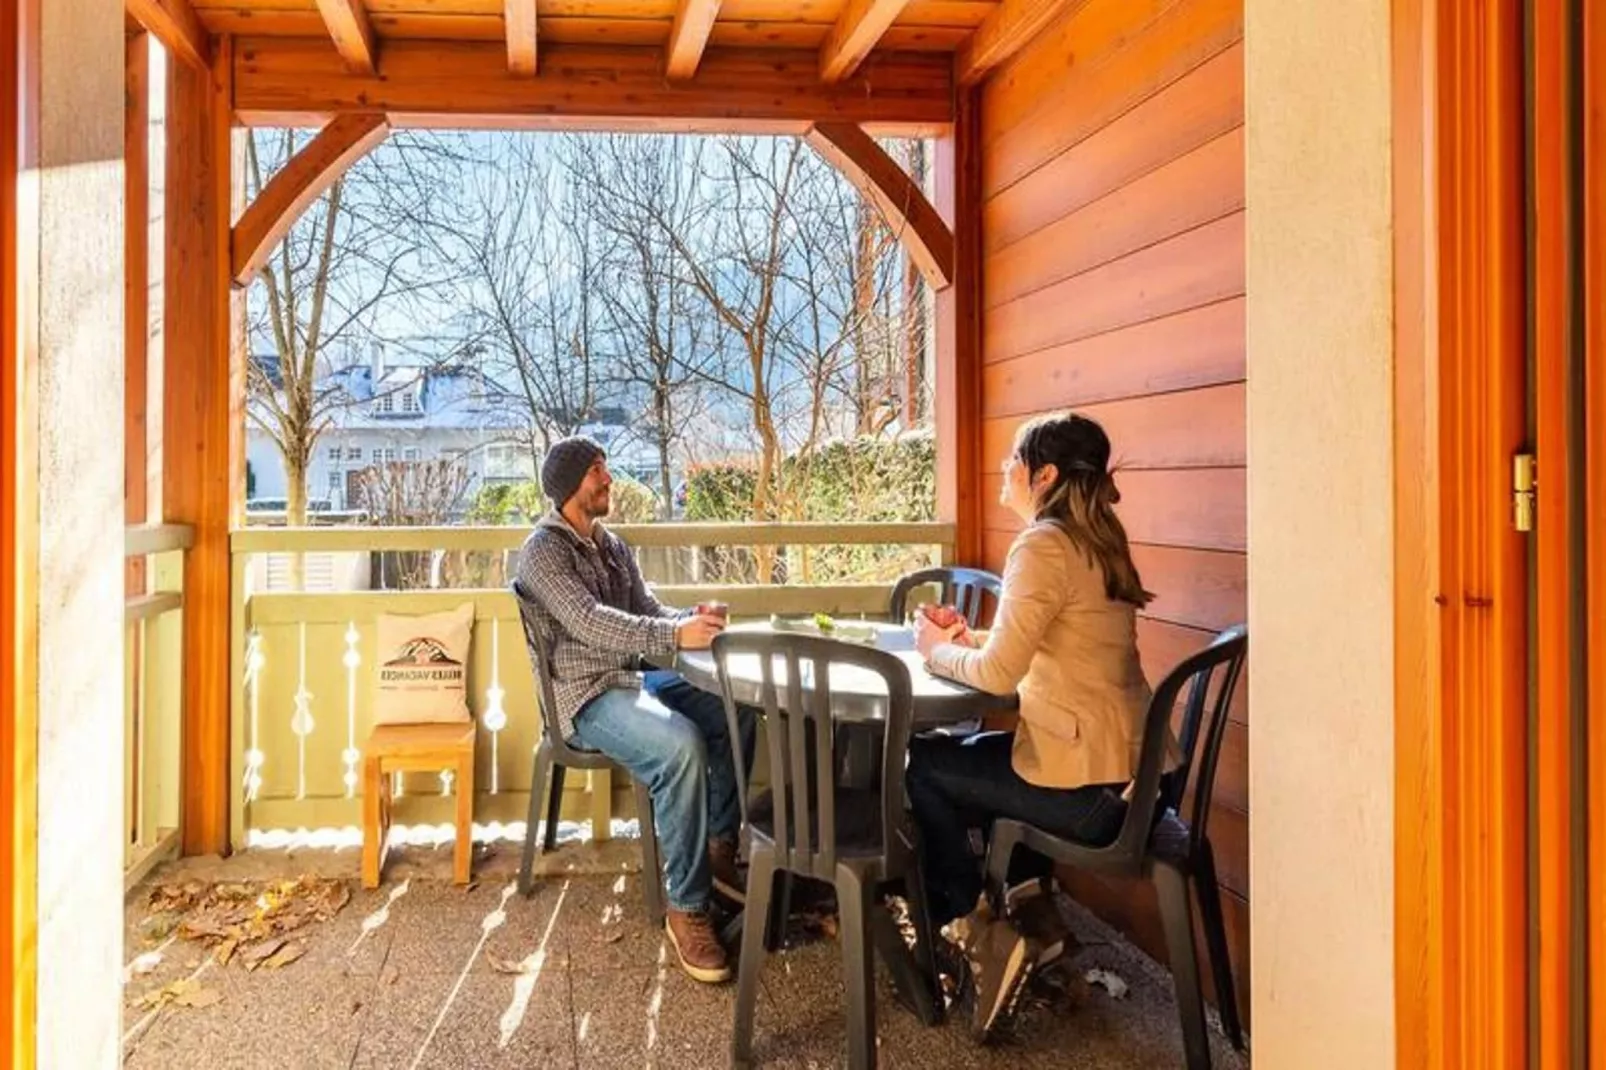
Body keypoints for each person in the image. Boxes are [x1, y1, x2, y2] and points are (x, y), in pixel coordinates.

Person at [907, 412, 1154, 1036]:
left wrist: (939, 652)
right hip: (1138, 780)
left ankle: (975, 929)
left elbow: (995, 678)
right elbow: (1046, 647)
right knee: (989, 757)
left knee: (928, 765)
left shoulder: (1043, 544)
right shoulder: (1098, 536)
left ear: (1042, 475)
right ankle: (1034, 918)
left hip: (1093, 799)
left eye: (1012, 461)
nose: (1003, 471)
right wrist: (974, 639)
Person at [515, 435, 756, 985]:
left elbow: (645, 610)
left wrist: (689, 620)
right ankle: (687, 906)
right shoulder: (543, 552)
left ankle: (719, 851)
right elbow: (590, 622)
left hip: (635, 676)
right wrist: (674, 633)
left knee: (736, 708)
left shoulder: (612, 544)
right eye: (598, 470)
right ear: (571, 485)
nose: (609, 479)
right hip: (588, 696)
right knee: (681, 747)